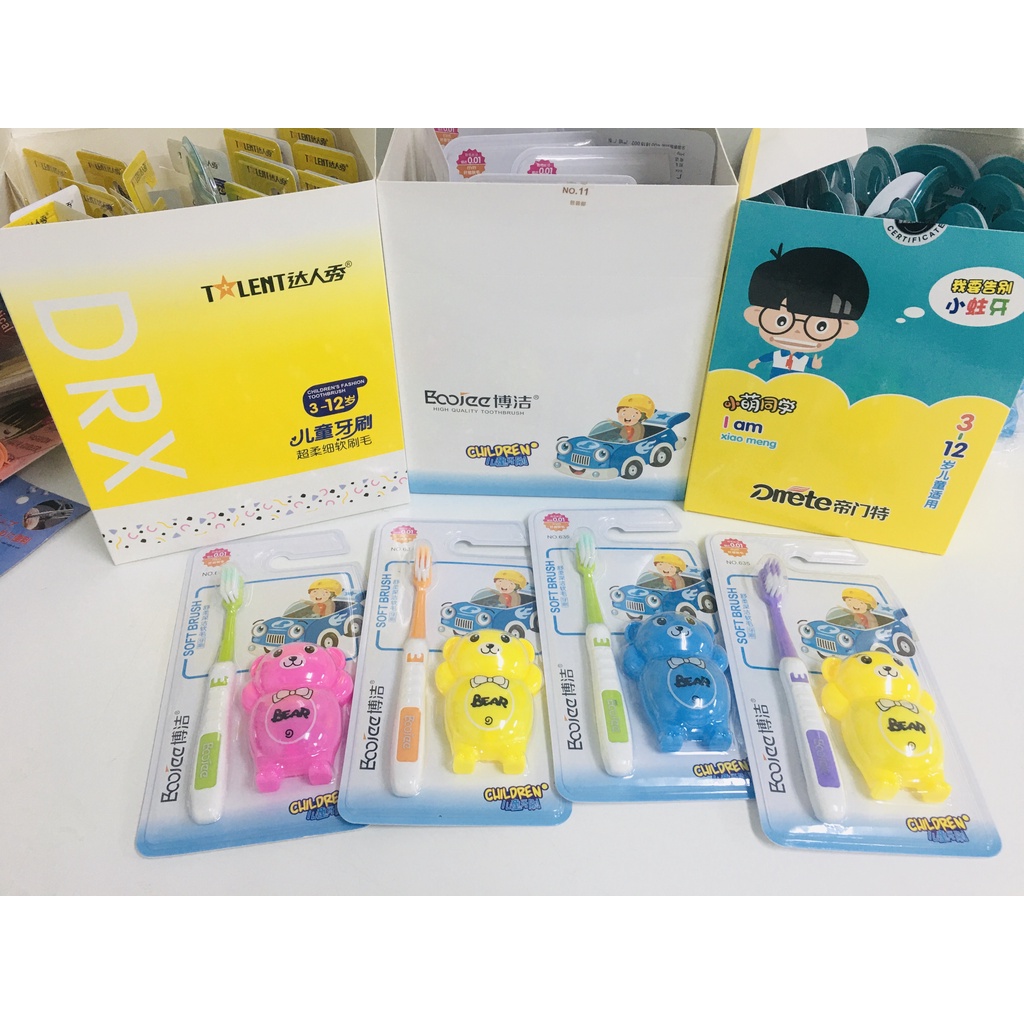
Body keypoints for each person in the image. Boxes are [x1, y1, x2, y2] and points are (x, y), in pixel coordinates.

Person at [745, 245, 869, 378]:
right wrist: (755, 362)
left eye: (821, 326)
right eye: (781, 321)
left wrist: (815, 365)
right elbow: (766, 358)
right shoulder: (778, 355)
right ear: (755, 314)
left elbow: (812, 365)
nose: (797, 331)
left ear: (845, 328)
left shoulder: (802, 359)